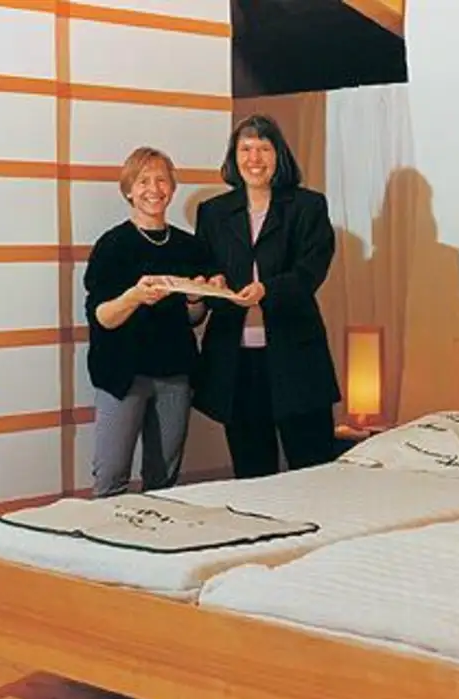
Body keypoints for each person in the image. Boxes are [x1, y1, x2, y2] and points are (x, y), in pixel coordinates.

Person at [192, 114, 341, 479]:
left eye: (263, 148)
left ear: (279, 155)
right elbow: (206, 269)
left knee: (313, 468)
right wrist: (211, 284)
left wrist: (266, 290)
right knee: (252, 472)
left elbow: (310, 271)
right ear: (234, 156)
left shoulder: (308, 206)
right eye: (245, 149)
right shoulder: (213, 212)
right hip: (236, 360)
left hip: (295, 354)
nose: (254, 158)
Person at [83, 146, 212, 497]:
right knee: (110, 477)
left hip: (175, 372)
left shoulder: (189, 246)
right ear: (128, 189)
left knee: (164, 480)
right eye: (143, 181)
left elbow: (194, 318)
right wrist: (135, 297)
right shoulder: (112, 245)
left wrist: (196, 297)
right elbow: (102, 317)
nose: (153, 189)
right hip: (122, 373)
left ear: (172, 188)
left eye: (162, 180)